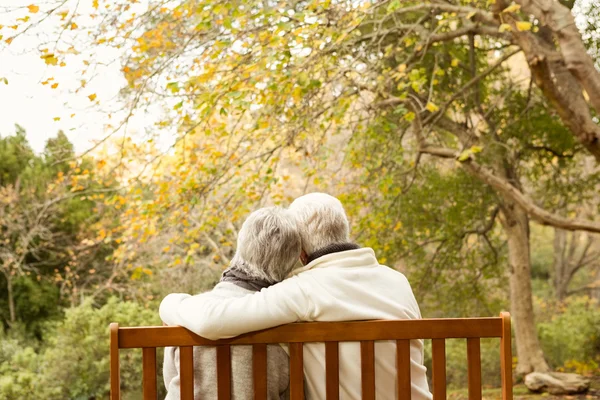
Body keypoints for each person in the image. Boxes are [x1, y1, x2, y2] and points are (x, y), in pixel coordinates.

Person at [160, 193, 432, 400]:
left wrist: (171, 302)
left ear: (300, 253)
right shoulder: (398, 281)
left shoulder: (304, 289)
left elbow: (211, 322)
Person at [161, 207, 302, 399]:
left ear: (242, 244)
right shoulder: (291, 324)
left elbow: (170, 381)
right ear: (293, 259)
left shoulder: (186, 314)